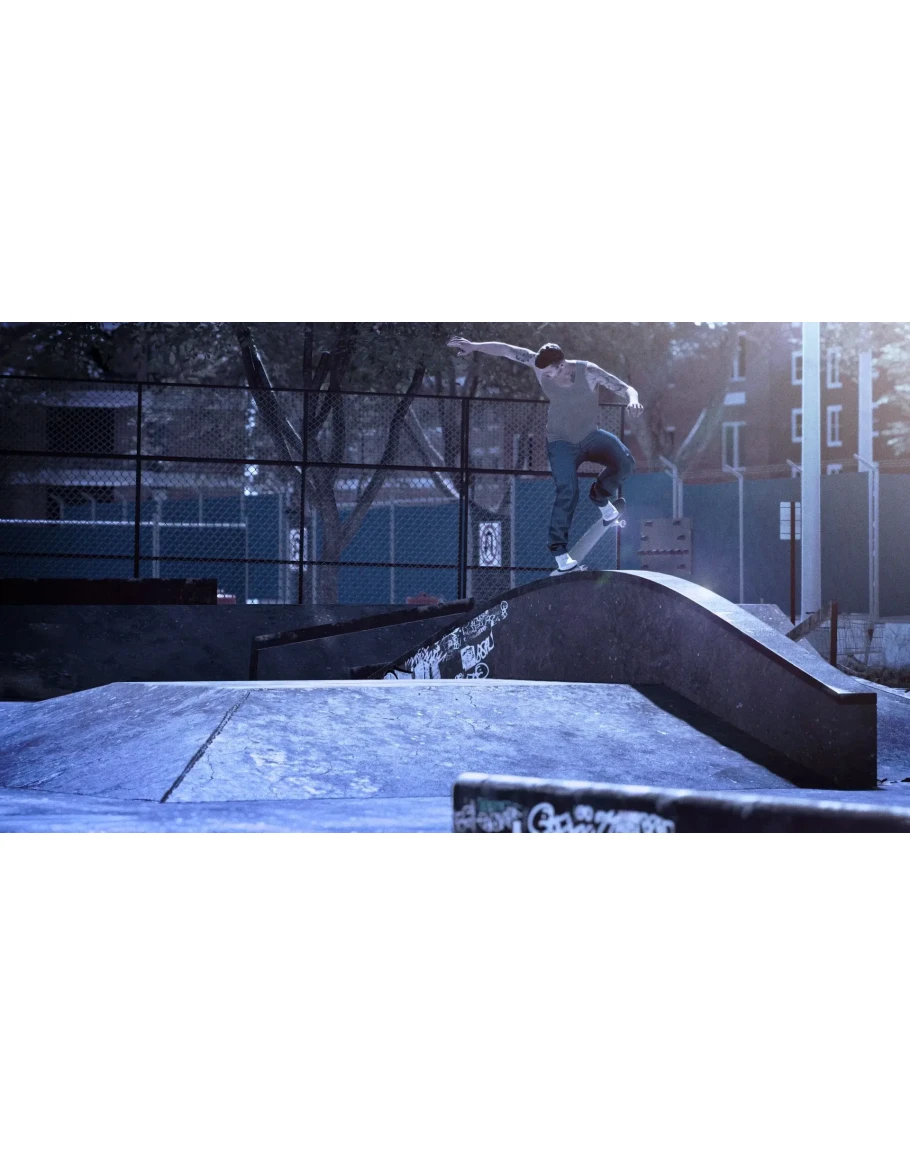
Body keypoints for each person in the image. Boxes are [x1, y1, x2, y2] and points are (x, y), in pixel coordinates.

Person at [447, 336, 642, 573]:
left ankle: (600, 497)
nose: (545, 377)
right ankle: (560, 554)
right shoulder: (538, 365)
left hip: (590, 436)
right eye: (543, 373)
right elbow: (507, 349)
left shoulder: (588, 372)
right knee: (567, 491)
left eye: (549, 372)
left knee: (624, 462)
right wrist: (475, 346)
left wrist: (633, 401)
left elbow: (625, 388)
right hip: (560, 443)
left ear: (561, 365)